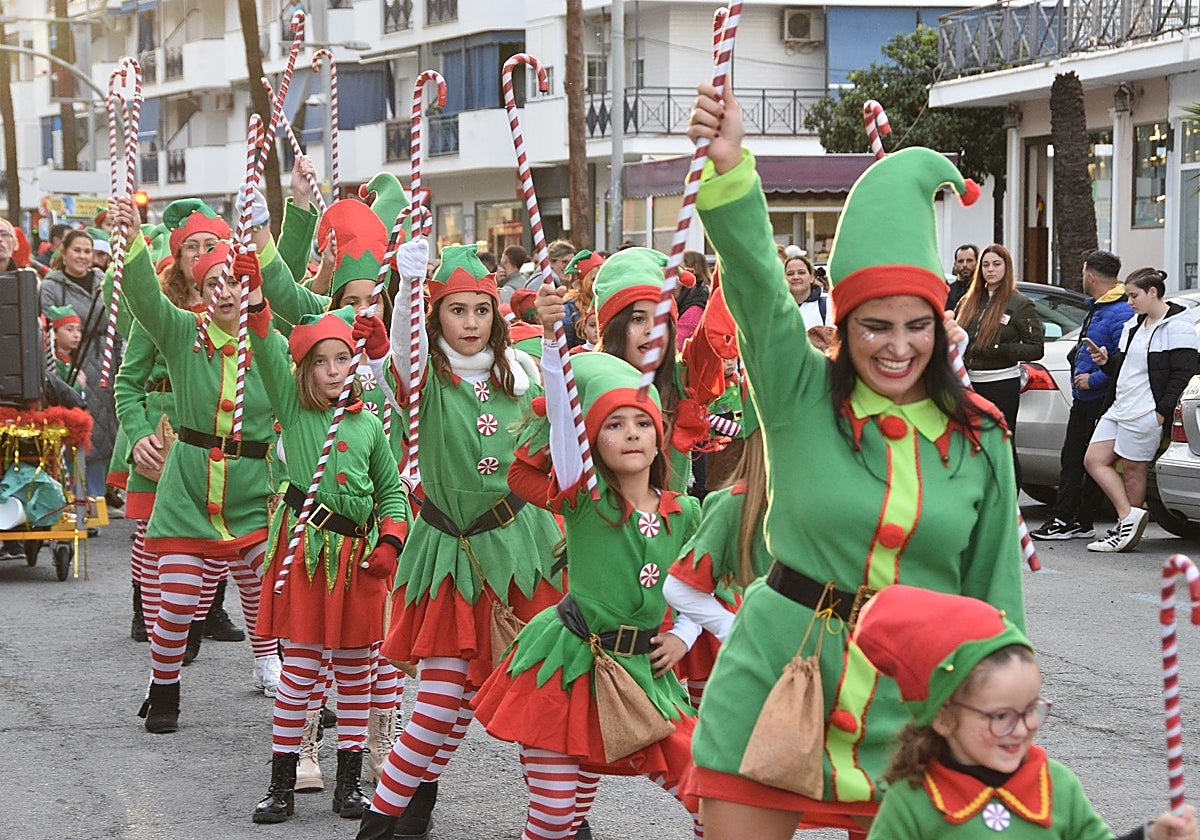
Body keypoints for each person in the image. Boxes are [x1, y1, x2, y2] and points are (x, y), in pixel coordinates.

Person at [685, 81, 1025, 840]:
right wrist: (732, 167)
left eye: (915, 326)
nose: (897, 347)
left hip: (915, 708)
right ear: (842, 328)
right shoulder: (799, 391)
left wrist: (1000, 718)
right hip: (777, 677)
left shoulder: (981, 438)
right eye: (875, 325)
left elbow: (994, 596)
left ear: (941, 328)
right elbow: (757, 283)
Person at [357, 242, 563, 839]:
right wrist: (406, 287)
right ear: (436, 316)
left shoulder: (520, 373)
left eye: (481, 309)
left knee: (535, 690)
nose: (470, 323)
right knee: (440, 700)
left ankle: (560, 817)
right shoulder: (426, 383)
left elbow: (562, 418)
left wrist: (554, 338)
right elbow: (403, 356)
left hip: (522, 547)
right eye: (456, 310)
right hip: (452, 551)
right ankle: (381, 821)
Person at [467, 351, 705, 840]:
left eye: (642, 423)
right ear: (593, 441)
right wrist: (552, 346)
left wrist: (683, 634)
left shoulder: (687, 513)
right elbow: (559, 434)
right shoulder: (586, 498)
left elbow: (703, 589)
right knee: (556, 815)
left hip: (644, 674)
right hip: (564, 667)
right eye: (614, 424)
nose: (632, 433)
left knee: (709, 796)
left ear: (659, 440)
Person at [112, 196, 282, 734]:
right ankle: (164, 686)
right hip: (187, 491)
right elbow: (144, 298)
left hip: (253, 492)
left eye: (235, 281)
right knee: (178, 600)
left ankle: (289, 686)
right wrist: (132, 241)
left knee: (272, 594)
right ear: (202, 291)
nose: (225, 291)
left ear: (250, 287)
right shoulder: (183, 332)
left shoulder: (270, 343)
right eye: (214, 283)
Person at [856, 585, 1199, 840]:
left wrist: (1151, 836)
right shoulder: (912, 802)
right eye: (1000, 716)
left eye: (1030, 709)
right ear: (944, 718)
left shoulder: (1056, 785)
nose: (1021, 729)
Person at [246, 300, 409, 825]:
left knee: (357, 674)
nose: (335, 370)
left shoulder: (369, 426)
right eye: (321, 362)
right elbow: (265, 344)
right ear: (304, 370)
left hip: (359, 564)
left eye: (342, 359)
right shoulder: (294, 410)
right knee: (300, 672)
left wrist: (391, 540)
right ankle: (281, 785)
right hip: (309, 558)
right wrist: (256, 301)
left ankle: (348, 784)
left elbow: (391, 492)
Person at [1083, 267, 1198, 553]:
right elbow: (1124, 368)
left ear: (1153, 292)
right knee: (1094, 459)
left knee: (1134, 470)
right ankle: (1128, 517)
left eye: (1134, 296)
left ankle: (1125, 531)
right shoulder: (1133, 325)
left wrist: (1161, 412)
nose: (1129, 302)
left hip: (1146, 411)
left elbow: (1181, 375)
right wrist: (1105, 362)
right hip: (1120, 406)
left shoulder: (1180, 326)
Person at [1032, 251, 1131, 541]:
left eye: (1083, 272)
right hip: (1084, 399)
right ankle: (1078, 521)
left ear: (1090, 275)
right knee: (1074, 459)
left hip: (1099, 399)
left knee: (1078, 460)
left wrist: (1094, 379)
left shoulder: (1119, 311)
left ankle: (1067, 519)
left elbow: (1123, 361)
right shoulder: (1100, 307)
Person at [39, 228, 122, 499]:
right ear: (63, 253)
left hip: (106, 359)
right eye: (77, 250)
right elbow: (49, 330)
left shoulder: (103, 281)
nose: (83, 256)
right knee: (81, 428)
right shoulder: (52, 286)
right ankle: (78, 494)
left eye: (88, 251)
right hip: (73, 362)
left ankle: (102, 492)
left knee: (107, 425)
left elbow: (117, 321)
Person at [955, 243, 1044, 484]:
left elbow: (1036, 348)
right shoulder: (968, 301)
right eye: (985, 265)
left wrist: (998, 349)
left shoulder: (1020, 304)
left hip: (1001, 383)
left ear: (1007, 267)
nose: (990, 269)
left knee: (1002, 443)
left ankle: (1009, 498)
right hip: (968, 383)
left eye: (996, 264)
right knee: (971, 443)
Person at [785, 254, 831, 331]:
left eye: (801, 272)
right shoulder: (776, 308)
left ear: (811, 277)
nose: (796, 277)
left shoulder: (827, 305)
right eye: (790, 274)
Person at [678, 250, 712, 348]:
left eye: (678, 270)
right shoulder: (692, 297)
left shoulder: (695, 306)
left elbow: (678, 344)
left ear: (690, 272)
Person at [947, 243, 977, 311]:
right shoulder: (948, 292)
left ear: (977, 263)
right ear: (955, 265)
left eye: (969, 260)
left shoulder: (985, 289)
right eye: (960, 261)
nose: (965, 265)